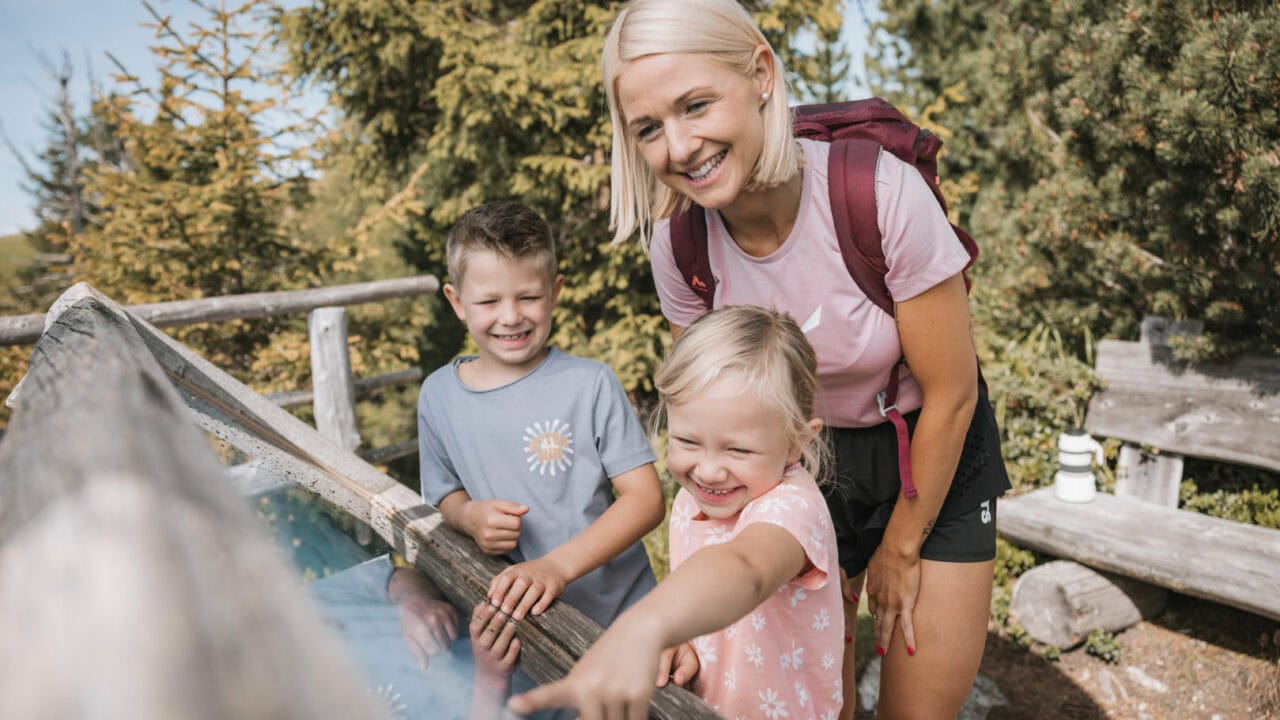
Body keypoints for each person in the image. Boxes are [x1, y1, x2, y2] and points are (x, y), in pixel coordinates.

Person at [598, 1, 1012, 718]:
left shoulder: (878, 194)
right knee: (819, 701)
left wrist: (899, 547)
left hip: (930, 447)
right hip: (797, 463)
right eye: (649, 128)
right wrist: (689, 618)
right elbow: (710, 426)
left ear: (761, 74)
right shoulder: (680, 246)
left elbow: (953, 393)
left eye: (695, 105)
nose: (680, 146)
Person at [388, 200, 666, 711]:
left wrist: (555, 567)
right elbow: (444, 493)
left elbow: (646, 499)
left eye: (529, 297)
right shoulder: (439, 396)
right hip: (526, 639)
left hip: (624, 624)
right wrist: (469, 516)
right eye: (489, 301)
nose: (511, 316)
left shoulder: (590, 383)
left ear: (555, 292)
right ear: (456, 301)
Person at [510, 305, 843, 720]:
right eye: (688, 442)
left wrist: (647, 626)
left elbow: (745, 568)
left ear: (796, 443)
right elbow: (711, 603)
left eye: (738, 449)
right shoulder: (693, 499)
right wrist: (684, 638)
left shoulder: (794, 507)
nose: (708, 470)